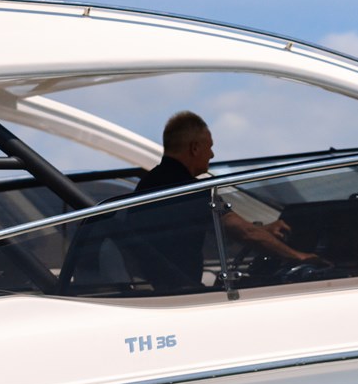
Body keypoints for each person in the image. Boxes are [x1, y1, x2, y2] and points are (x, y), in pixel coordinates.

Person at [131, 111, 324, 284]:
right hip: (179, 290)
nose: (212, 154)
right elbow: (244, 233)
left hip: (161, 285)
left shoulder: (149, 183)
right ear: (195, 148)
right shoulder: (187, 189)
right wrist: (299, 257)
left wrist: (263, 230)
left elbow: (230, 226)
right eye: (209, 147)